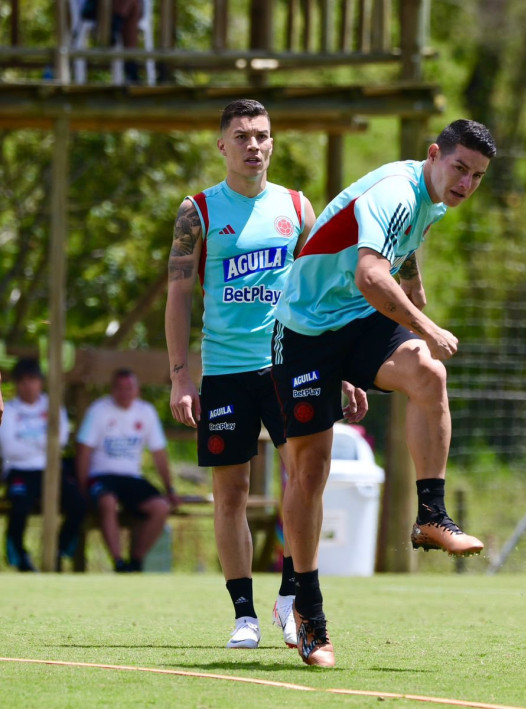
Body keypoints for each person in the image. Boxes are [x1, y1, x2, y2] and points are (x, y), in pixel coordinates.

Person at [271, 118, 496, 667]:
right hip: (304, 330)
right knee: (310, 471)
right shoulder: (396, 191)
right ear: (433, 154)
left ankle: (431, 516)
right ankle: (307, 612)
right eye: (460, 168)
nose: (466, 183)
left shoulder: (431, 199)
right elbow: (372, 275)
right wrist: (425, 324)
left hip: (357, 320)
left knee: (428, 375)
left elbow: (401, 250)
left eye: (477, 176)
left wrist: (414, 292)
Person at [164, 98, 367, 651]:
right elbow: (179, 295)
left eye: (262, 135)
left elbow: (325, 288)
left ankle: (290, 596)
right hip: (224, 371)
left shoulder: (297, 207)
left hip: (289, 364)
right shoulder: (197, 211)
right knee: (230, 492)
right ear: (222, 145)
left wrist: (344, 367)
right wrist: (180, 375)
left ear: (272, 143)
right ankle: (244, 616)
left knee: (303, 481)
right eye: (242, 136)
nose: (253, 145)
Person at [75, 368, 178, 572]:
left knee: (160, 507)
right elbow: (83, 451)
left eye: (129, 388)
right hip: (101, 476)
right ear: (112, 390)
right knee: (108, 501)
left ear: (137, 390)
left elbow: (159, 454)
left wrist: (170, 488)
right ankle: (118, 562)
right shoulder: (99, 410)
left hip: (132, 477)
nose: (124, 393)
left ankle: (136, 561)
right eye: (119, 388)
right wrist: (82, 487)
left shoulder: (146, 412)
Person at [0, 357, 84, 572]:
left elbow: (60, 441)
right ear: (17, 384)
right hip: (20, 470)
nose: (28, 385)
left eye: (32, 379)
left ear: (41, 382)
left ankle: (60, 551)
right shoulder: (9, 409)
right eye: (23, 381)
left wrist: (27, 443)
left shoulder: (53, 406)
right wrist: (43, 444)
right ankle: (19, 556)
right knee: (19, 507)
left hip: (52, 470)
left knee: (78, 503)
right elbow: (8, 448)